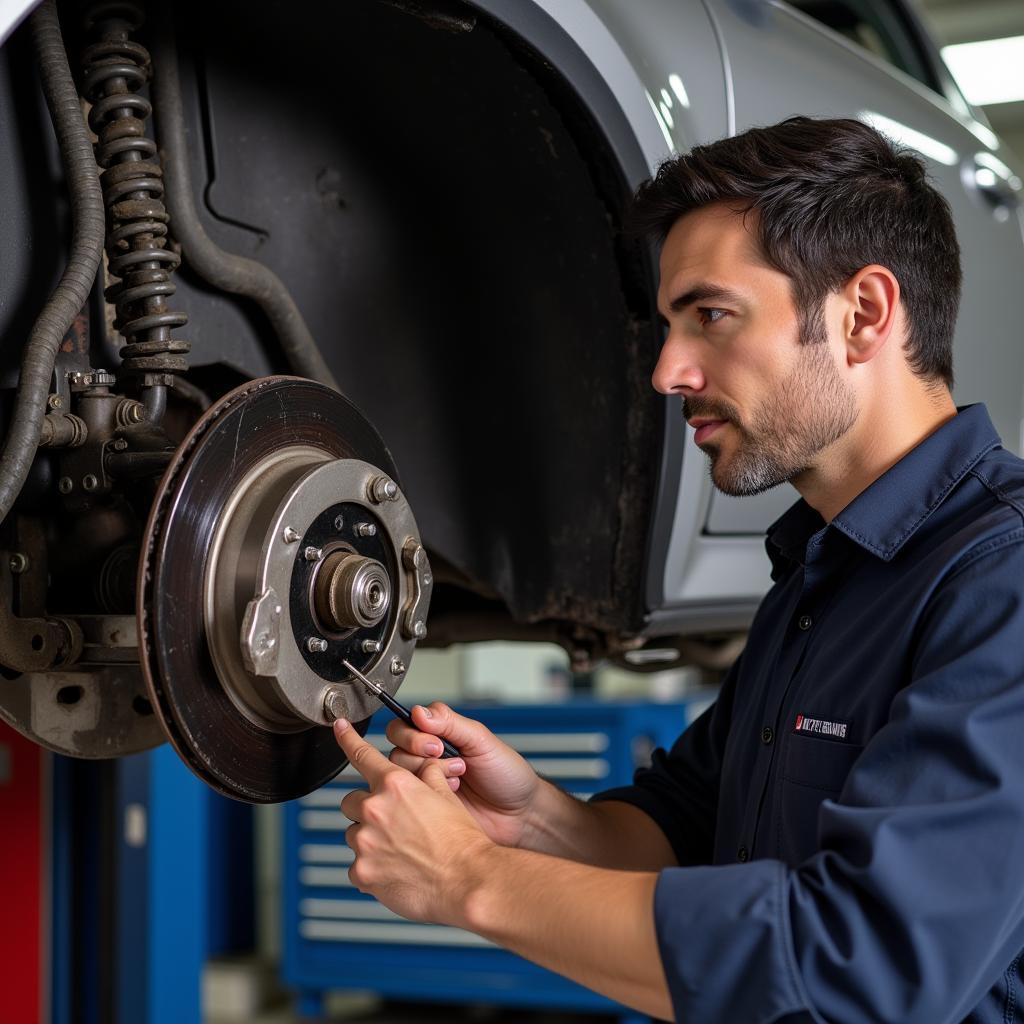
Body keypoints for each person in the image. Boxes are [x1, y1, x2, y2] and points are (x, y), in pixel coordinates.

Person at [331, 116, 1024, 1023]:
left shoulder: (1000, 581)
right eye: (668, 327)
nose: (665, 373)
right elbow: (692, 830)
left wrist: (470, 878)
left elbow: (865, 967)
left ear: (863, 314)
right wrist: (534, 821)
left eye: (710, 316)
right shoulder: (823, 573)